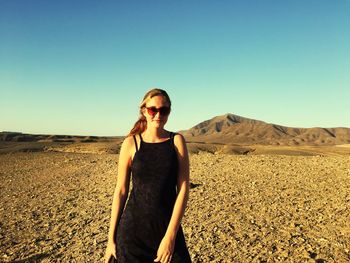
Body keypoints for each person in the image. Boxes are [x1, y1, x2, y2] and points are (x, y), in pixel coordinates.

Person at [105, 88, 192, 263]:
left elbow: (183, 189)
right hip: (132, 234)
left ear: (169, 112)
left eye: (164, 110)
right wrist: (110, 239)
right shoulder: (131, 143)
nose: (158, 115)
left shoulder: (176, 141)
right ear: (144, 110)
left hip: (166, 228)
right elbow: (121, 191)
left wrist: (170, 237)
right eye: (153, 110)